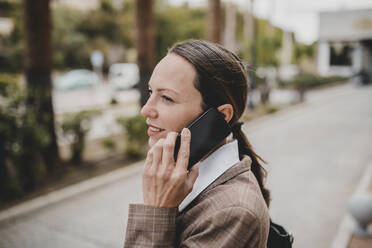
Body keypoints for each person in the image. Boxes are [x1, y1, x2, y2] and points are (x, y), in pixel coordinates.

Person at [124, 40, 271, 247]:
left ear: (221, 115)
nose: (146, 110)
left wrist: (156, 210)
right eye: (150, 92)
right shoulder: (180, 177)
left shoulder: (234, 213)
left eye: (166, 98)